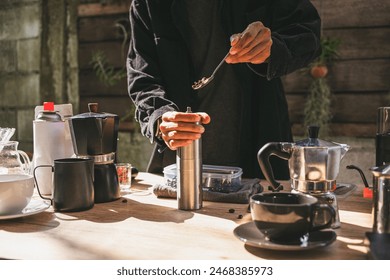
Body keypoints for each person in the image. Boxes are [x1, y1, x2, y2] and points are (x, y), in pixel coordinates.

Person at [126, 0, 321, 179]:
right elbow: (142, 76)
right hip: (178, 168)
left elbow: (308, 32)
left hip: (260, 160)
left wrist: (273, 48)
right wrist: (160, 118)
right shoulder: (147, 4)